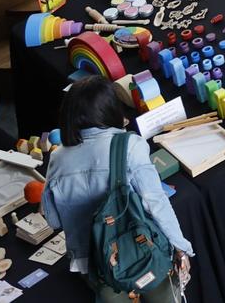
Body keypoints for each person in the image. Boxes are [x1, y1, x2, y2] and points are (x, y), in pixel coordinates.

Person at [41, 75, 193, 301]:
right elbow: (156, 203)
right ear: (111, 109)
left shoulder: (57, 158)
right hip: (143, 255)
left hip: (94, 263)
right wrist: (181, 248)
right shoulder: (129, 145)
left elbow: (53, 220)